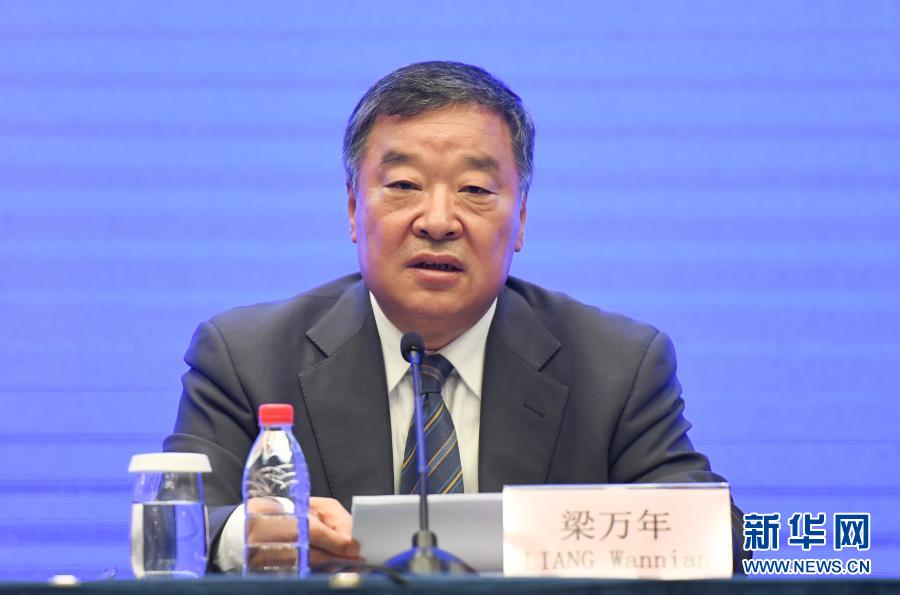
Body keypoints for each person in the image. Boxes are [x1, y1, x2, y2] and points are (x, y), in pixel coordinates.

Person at [165, 61, 749, 573]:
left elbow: (715, 536)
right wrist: (252, 535)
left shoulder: (617, 366)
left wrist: (556, 537)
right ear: (351, 208)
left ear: (521, 219)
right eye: (404, 185)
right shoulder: (246, 357)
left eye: (475, 189)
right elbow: (181, 526)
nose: (439, 220)